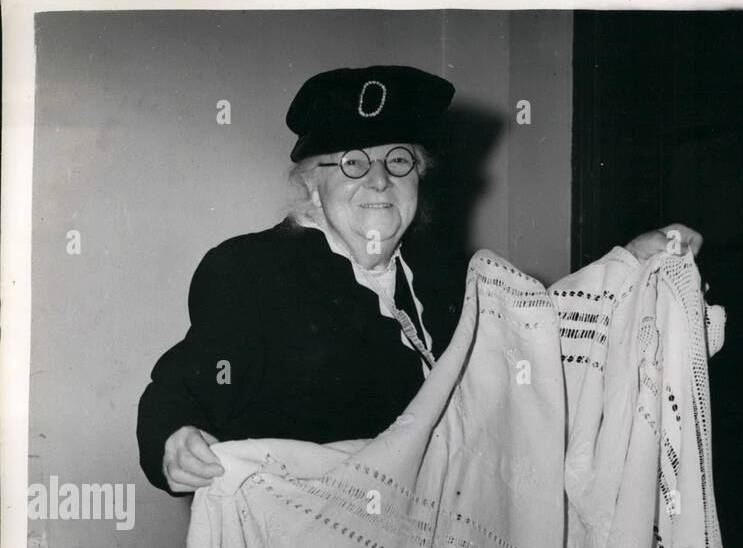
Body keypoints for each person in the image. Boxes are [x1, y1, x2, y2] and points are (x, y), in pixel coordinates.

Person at [136, 64, 704, 495]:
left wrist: (633, 264)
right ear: (312, 184)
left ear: (418, 179)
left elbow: (545, 336)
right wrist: (175, 438)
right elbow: (181, 386)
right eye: (353, 163)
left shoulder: (448, 279)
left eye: (399, 161)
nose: (379, 181)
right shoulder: (250, 271)